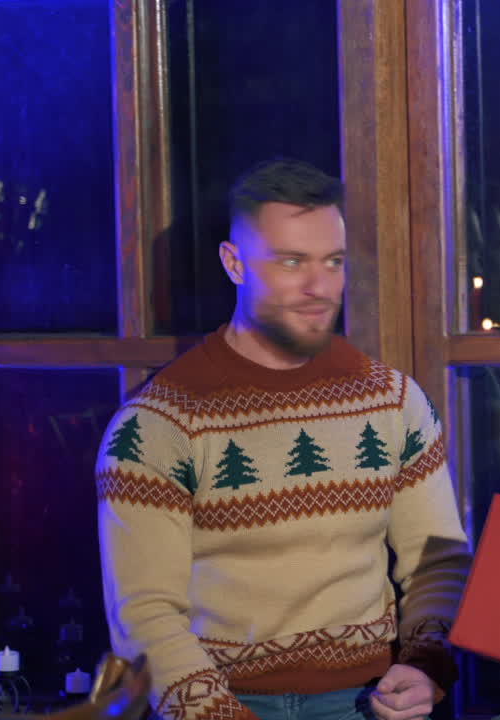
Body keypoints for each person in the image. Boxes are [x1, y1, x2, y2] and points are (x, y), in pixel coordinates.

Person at [95, 158, 471, 720]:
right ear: (234, 263)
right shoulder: (158, 422)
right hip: (225, 701)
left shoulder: (393, 401)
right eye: (292, 262)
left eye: (333, 261)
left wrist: (425, 666)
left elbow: (437, 561)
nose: (319, 287)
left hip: (367, 700)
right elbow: (144, 614)